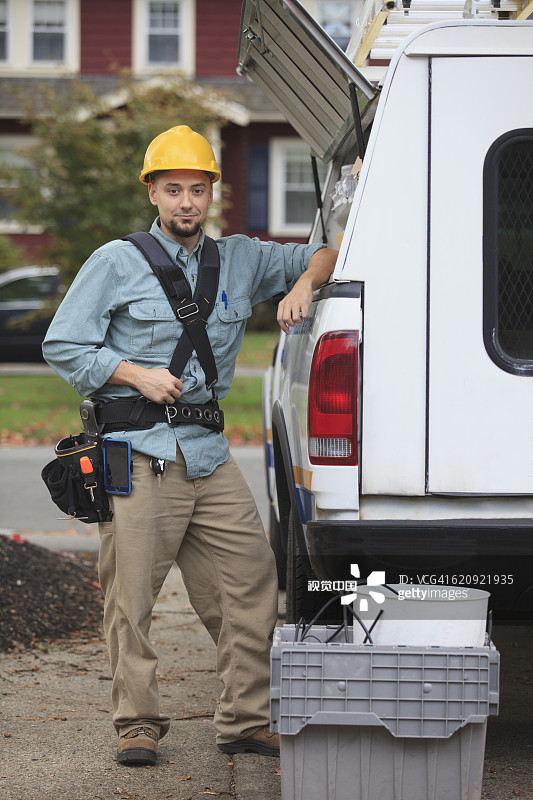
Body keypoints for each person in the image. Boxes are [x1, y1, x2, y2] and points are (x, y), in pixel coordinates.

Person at [42, 125, 337, 766]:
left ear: (211, 194)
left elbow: (325, 251)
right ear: (152, 192)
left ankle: (244, 719)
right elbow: (63, 343)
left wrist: (302, 286)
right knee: (132, 599)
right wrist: (134, 373)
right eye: (173, 189)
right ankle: (138, 724)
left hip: (208, 454)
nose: (186, 202)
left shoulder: (241, 258)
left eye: (197, 190)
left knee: (251, 581)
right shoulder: (114, 261)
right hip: (139, 452)